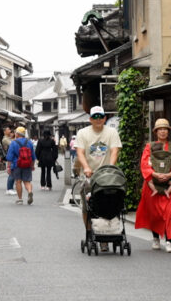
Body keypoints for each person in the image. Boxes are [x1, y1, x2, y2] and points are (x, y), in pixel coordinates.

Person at [74, 106, 122, 250]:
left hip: (107, 175)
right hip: (89, 175)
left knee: (112, 202)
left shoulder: (112, 132)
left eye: (100, 116)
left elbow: (114, 151)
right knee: (87, 206)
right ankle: (90, 231)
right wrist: (86, 167)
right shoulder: (83, 133)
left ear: (105, 118)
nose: (98, 119)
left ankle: (108, 234)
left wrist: (110, 167)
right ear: (90, 119)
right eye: (95, 117)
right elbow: (80, 152)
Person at [134, 118, 171, 252]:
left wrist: (170, 174)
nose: (162, 132)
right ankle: (155, 238)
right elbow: (144, 164)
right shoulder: (149, 147)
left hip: (169, 184)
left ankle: (169, 241)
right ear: (156, 132)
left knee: (169, 213)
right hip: (152, 185)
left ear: (168, 131)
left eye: (165, 129)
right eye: (160, 129)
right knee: (154, 213)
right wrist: (154, 174)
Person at [6, 126, 36, 205]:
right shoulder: (29, 142)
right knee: (27, 181)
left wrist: (8, 167)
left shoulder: (14, 143)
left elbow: (10, 157)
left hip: (16, 164)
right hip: (27, 164)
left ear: (17, 134)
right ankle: (30, 192)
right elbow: (33, 156)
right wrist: (32, 165)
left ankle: (20, 199)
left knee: (18, 181)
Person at [2, 126, 16, 195]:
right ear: (4, 132)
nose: (10, 131)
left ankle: (10, 188)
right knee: (11, 172)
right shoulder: (5, 139)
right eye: (8, 129)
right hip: (10, 157)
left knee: (13, 172)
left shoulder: (9, 138)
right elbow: (12, 144)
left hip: (12, 157)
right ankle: (9, 188)